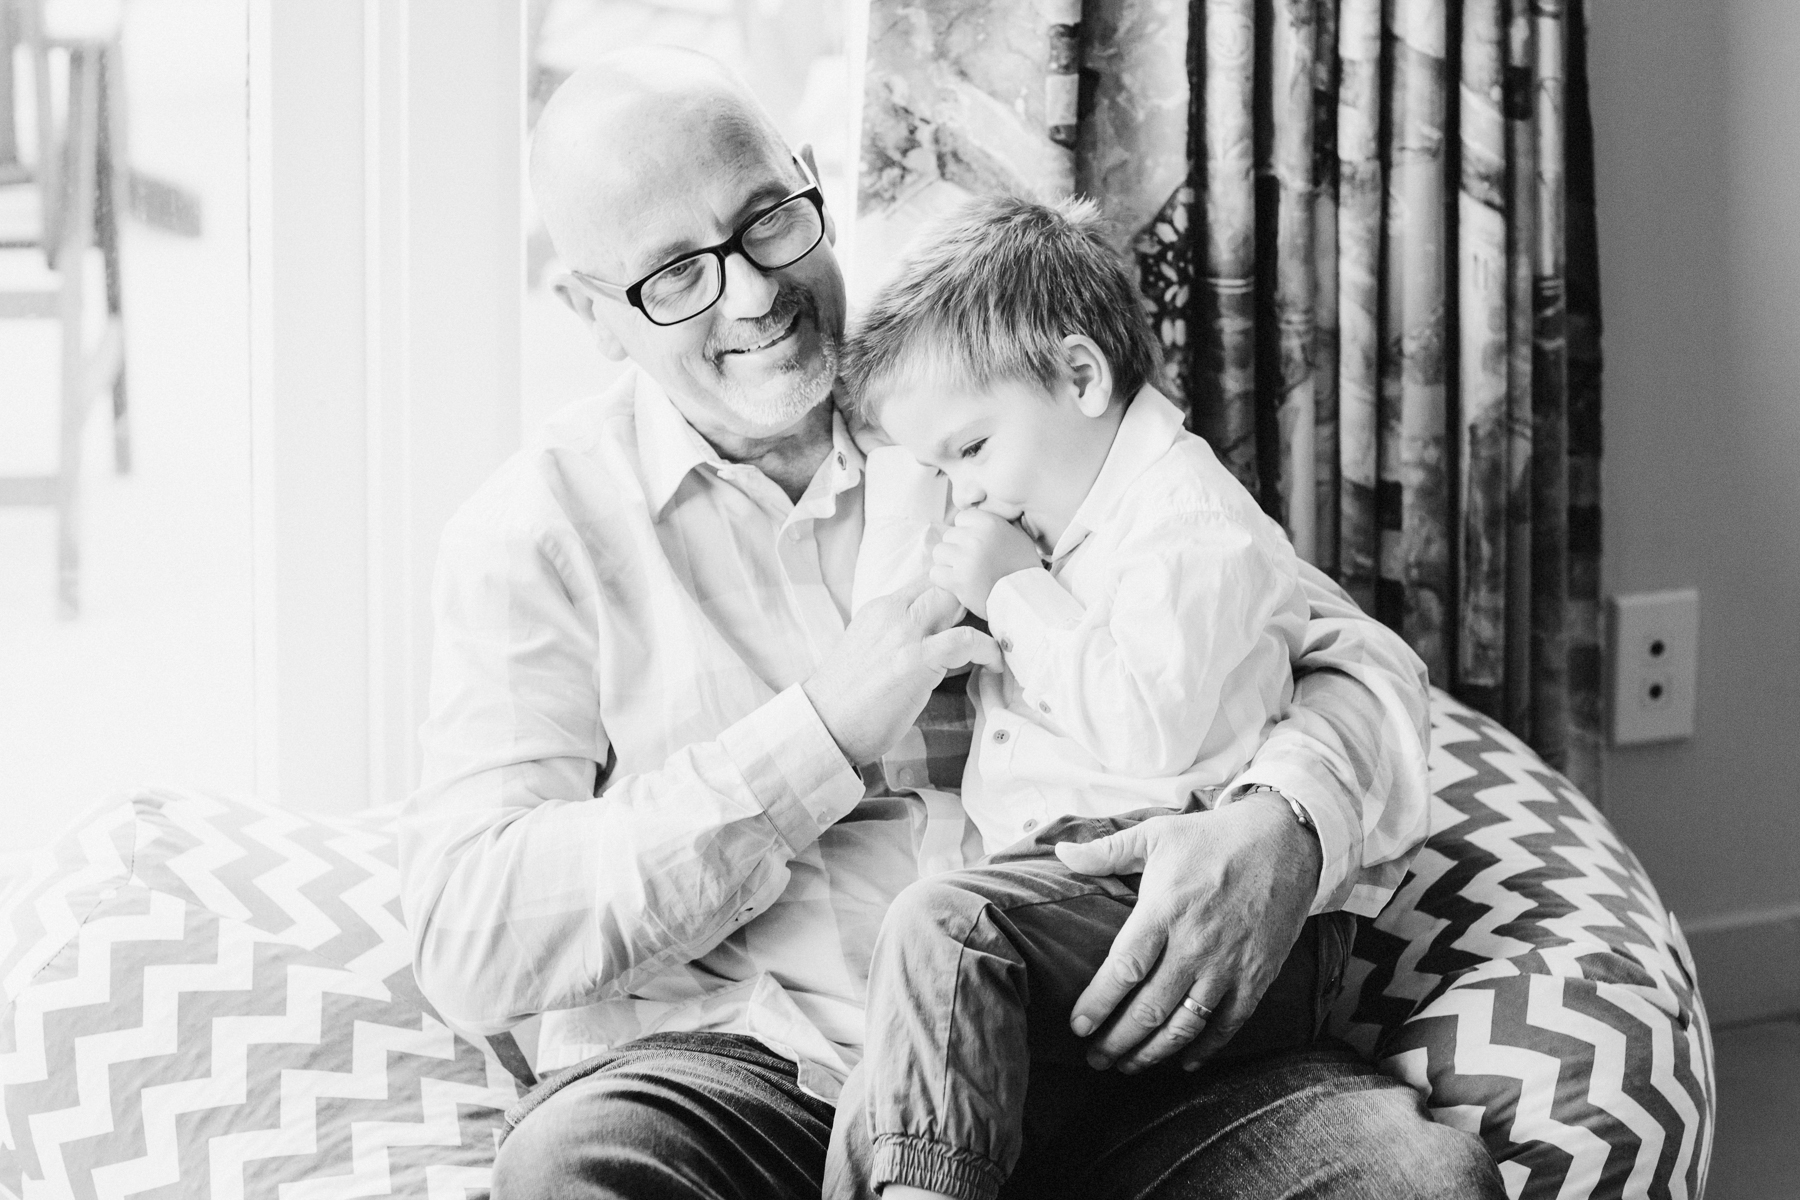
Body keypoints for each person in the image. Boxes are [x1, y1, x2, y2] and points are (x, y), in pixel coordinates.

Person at [397, 44, 1505, 1200]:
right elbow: (470, 933)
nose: (753, 293)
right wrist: (817, 734)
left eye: (768, 219)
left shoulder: (964, 392)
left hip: (1096, 1030)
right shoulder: (541, 532)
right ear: (593, 314)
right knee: (572, 1173)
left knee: (1414, 1185)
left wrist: (1282, 827)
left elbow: (1345, 652)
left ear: (812, 180)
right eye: (674, 273)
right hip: (750, 1078)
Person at [821, 193, 1353, 1200]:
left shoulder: (1193, 527)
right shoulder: (1050, 514)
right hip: (1080, 925)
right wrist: (920, 475)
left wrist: (1016, 590)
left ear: (1079, 375)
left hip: (1213, 933)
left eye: (970, 452)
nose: (962, 494)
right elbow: (887, 618)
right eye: (940, 470)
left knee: (942, 930)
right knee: (880, 1093)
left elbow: (1147, 727)